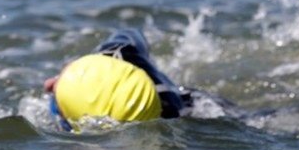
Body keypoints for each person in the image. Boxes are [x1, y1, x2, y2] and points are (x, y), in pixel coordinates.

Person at [44, 27, 192, 131]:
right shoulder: (120, 52)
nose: (48, 84)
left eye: (57, 91)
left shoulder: (180, 110)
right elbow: (130, 32)